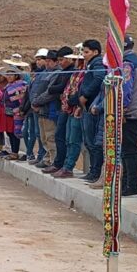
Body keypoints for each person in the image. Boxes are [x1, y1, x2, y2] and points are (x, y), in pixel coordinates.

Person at [35, 47, 74, 173]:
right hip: (42, 109)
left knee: (52, 137)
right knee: (44, 137)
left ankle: (53, 161)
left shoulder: (59, 73)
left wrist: (37, 101)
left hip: (51, 109)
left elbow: (52, 90)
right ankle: (48, 159)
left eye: (49, 61)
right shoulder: (45, 73)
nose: (46, 63)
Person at [76, 40, 108, 184]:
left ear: (95, 52)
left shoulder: (97, 63)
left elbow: (98, 80)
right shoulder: (91, 64)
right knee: (89, 142)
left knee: (93, 142)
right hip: (87, 106)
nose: (84, 55)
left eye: (86, 52)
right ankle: (93, 171)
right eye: (83, 52)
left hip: (92, 107)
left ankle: (95, 172)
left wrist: (85, 96)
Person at [53, 48, 86, 178]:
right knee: (68, 138)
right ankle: (65, 165)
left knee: (74, 140)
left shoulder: (85, 72)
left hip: (78, 108)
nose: (75, 61)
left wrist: (73, 99)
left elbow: (82, 90)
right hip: (70, 108)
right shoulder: (76, 72)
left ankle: (69, 166)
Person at [121, 35, 137, 196]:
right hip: (134, 111)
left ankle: (130, 186)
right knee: (127, 150)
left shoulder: (127, 63)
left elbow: (125, 89)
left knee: (128, 151)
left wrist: (122, 109)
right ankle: (126, 184)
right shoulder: (134, 61)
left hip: (129, 113)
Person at [26, 49, 52, 165]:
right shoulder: (37, 74)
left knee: (46, 135)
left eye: (40, 59)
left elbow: (44, 91)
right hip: (34, 107)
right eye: (37, 60)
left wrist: (37, 103)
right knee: (38, 134)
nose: (38, 62)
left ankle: (44, 157)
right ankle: (41, 156)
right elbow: (32, 91)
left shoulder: (47, 74)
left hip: (42, 108)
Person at [0, 64, 28, 160]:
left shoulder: (21, 85)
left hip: (17, 112)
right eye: (7, 75)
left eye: (11, 75)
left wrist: (19, 109)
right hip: (8, 112)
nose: (9, 77)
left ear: (16, 76)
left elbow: (22, 98)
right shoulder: (8, 85)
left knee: (15, 132)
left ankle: (15, 152)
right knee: (9, 132)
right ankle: (12, 151)